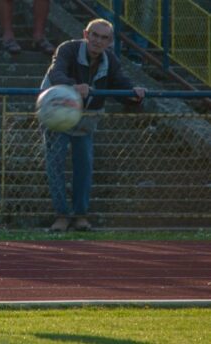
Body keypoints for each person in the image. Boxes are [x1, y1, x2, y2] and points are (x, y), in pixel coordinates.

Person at [40, 18, 145, 231]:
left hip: (85, 119)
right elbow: (56, 72)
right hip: (56, 113)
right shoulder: (68, 49)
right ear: (86, 35)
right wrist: (74, 86)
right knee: (55, 164)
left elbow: (121, 82)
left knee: (84, 166)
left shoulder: (111, 60)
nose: (98, 41)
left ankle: (80, 215)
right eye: (94, 35)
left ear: (110, 42)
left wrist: (134, 93)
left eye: (104, 37)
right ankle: (61, 214)